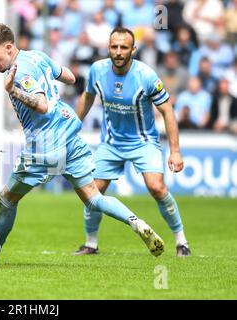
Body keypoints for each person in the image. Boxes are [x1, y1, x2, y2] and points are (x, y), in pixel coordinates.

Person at [0, 23, 165, 266]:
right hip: (69, 132)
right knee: (93, 198)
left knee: (6, 200)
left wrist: (14, 90)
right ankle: (135, 222)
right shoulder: (36, 56)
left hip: (45, 145)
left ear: (9, 47)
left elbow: (42, 105)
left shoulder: (19, 72)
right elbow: (69, 76)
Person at [75, 27, 191, 257]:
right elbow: (87, 97)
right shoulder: (97, 70)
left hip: (143, 142)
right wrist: (72, 126)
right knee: (93, 192)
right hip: (110, 143)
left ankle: (181, 241)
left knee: (156, 187)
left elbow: (168, 111)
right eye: (114, 47)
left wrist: (175, 151)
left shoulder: (146, 76)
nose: (118, 52)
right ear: (108, 48)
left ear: (133, 50)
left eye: (124, 47)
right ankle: (91, 243)